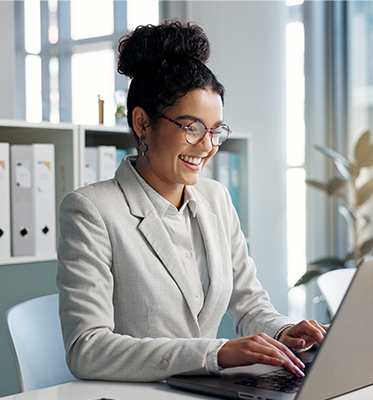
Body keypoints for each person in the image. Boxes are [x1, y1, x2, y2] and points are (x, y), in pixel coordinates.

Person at [56, 20, 327, 382]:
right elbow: (87, 349)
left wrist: (283, 331)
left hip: (205, 390)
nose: (207, 146)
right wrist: (214, 353)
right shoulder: (91, 210)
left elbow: (249, 302)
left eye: (216, 130)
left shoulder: (215, 198)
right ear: (141, 123)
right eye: (191, 127)